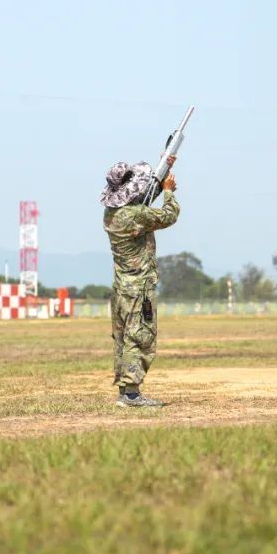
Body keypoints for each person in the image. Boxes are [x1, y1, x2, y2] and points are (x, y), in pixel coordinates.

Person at [100, 156, 180, 407]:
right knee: (141, 337)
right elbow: (168, 215)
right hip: (139, 288)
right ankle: (132, 394)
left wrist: (163, 169)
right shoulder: (135, 216)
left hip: (122, 287)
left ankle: (126, 391)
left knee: (125, 339)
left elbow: (141, 204)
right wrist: (168, 193)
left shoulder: (113, 213)